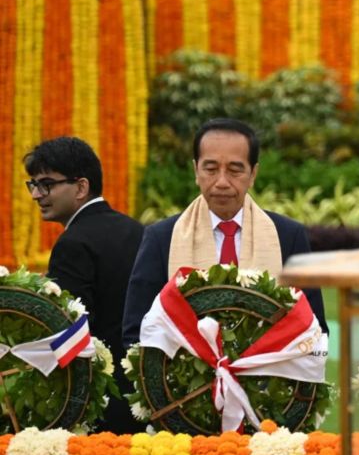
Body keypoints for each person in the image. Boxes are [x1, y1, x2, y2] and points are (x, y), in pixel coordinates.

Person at [122, 119, 327, 345]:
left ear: (253, 174)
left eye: (234, 170)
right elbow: (136, 332)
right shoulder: (162, 238)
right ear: (195, 170)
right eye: (210, 169)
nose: (221, 182)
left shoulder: (288, 236)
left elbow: (316, 331)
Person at [24, 137, 145, 433]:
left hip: (97, 401)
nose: (37, 195)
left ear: (80, 187)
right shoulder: (137, 229)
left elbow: (65, 330)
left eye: (47, 184)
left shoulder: (73, 244)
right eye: (33, 185)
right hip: (144, 390)